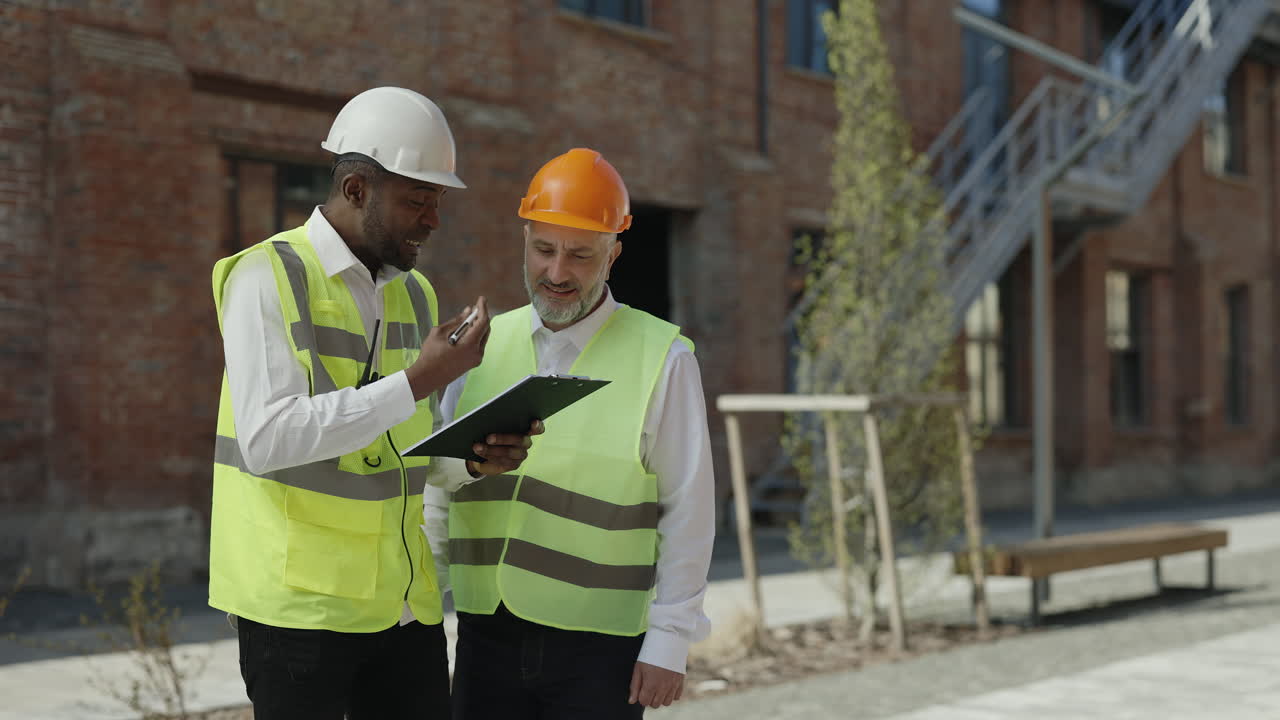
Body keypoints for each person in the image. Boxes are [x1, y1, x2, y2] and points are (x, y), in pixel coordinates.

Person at [209, 86, 539, 720]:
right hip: (298, 613)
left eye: (437, 201)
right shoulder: (265, 279)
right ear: (357, 188)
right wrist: (416, 381)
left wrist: (470, 461)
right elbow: (268, 439)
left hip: (400, 604)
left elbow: (396, 454)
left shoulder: (412, 294)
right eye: (419, 200)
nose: (434, 220)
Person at [425, 148, 715, 718]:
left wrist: (671, 639)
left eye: (580, 255)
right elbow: (440, 487)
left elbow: (689, 508)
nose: (557, 273)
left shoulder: (665, 359)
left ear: (614, 256)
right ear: (524, 241)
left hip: (601, 648)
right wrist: (422, 605)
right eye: (544, 250)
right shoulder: (479, 348)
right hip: (486, 636)